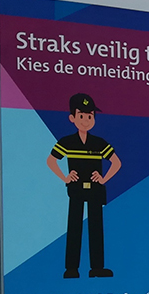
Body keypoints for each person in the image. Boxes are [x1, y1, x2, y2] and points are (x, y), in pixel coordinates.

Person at [47, 93, 121, 279]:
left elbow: (116, 162)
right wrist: (65, 177)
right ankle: (71, 268)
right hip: (76, 189)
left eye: (90, 116)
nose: (86, 120)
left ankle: (97, 267)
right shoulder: (67, 142)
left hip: (95, 190)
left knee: (96, 227)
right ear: (72, 118)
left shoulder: (99, 143)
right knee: (74, 227)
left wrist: (103, 179)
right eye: (82, 116)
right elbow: (51, 161)